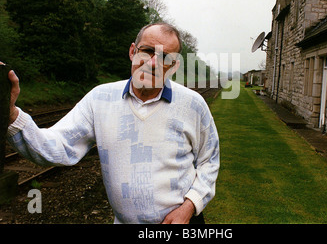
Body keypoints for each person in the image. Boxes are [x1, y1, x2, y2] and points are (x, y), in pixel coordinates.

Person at [4, 22, 220, 224]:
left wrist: (190, 206)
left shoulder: (193, 105)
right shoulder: (99, 99)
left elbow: (209, 160)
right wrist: (11, 113)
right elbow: (56, 146)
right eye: (147, 51)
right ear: (132, 51)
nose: (153, 63)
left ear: (173, 65)